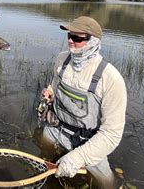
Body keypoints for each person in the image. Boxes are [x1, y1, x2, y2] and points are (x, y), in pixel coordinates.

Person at [39, 16, 126, 188]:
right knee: (43, 151)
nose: (71, 42)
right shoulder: (62, 59)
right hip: (55, 129)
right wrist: (49, 93)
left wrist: (77, 158)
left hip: (88, 142)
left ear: (93, 41)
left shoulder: (111, 78)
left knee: (107, 183)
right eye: (69, 36)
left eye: (77, 38)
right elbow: (55, 85)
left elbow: (111, 134)